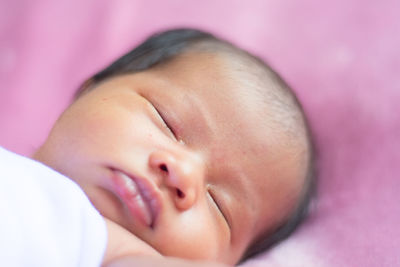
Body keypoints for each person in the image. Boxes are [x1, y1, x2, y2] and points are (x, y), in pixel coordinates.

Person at [1, 28, 315, 266]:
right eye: (166, 122)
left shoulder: (114, 250)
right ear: (90, 91)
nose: (182, 172)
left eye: (219, 206)